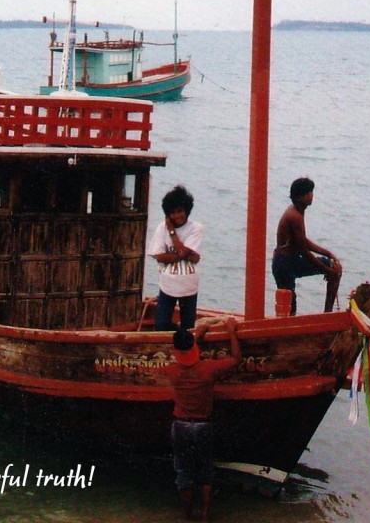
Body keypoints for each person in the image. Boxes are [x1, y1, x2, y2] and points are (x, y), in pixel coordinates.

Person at [167, 318, 241, 522]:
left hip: (180, 424)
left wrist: (195, 336)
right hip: (203, 424)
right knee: (205, 470)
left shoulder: (173, 371)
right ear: (194, 348)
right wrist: (231, 331)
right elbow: (236, 359)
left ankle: (187, 516)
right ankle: (206, 515)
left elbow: (185, 357)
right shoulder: (208, 369)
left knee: (184, 473)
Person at [272, 177, 343, 315]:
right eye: (309, 193)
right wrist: (325, 269)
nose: (312, 196)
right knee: (290, 306)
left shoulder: (298, 211)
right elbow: (303, 250)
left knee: (335, 268)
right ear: (300, 197)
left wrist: (327, 254)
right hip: (284, 264)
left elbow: (302, 241)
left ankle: (327, 314)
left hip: (292, 260)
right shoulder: (294, 216)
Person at [148, 185, 203, 333]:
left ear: (187, 209)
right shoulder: (161, 228)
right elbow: (158, 256)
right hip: (168, 284)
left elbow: (183, 252)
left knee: (188, 326)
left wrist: (172, 232)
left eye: (180, 211)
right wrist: (187, 256)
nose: (177, 215)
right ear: (168, 214)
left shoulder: (195, 228)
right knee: (161, 324)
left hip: (189, 285)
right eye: (173, 212)